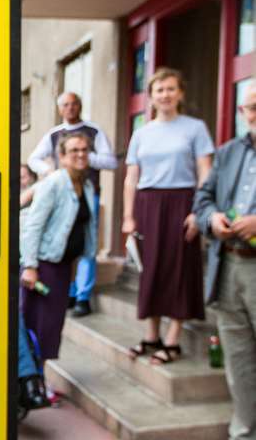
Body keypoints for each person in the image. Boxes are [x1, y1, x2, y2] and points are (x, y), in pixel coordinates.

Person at [123, 68, 214, 365]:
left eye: (171, 89)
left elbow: (205, 173)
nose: (165, 95)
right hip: (148, 205)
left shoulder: (195, 128)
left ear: (180, 93)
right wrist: (128, 216)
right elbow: (131, 177)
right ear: (151, 96)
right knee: (151, 269)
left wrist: (198, 211)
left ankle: (173, 340)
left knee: (179, 268)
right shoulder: (141, 133)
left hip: (182, 203)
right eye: (159, 90)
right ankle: (152, 336)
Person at [193, 81, 256, 440]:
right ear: (243, 113)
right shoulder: (228, 151)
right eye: (252, 107)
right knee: (239, 360)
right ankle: (245, 439)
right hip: (228, 265)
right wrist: (211, 219)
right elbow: (202, 199)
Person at [27, 92, 117, 317]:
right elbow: (33, 159)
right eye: (65, 104)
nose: (70, 108)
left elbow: (111, 161)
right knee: (62, 238)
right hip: (62, 195)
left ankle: (82, 296)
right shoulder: (54, 134)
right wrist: (50, 171)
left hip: (88, 193)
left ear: (80, 105)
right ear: (60, 109)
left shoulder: (93, 131)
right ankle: (70, 292)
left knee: (87, 242)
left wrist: (84, 158)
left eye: (74, 103)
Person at [19, 132, 97, 365]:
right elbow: (33, 226)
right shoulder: (53, 183)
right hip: (43, 267)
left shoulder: (87, 185)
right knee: (38, 326)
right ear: (61, 156)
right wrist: (30, 266)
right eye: (74, 150)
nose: (80, 154)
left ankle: (39, 376)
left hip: (63, 267)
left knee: (52, 328)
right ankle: (32, 379)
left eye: (84, 150)